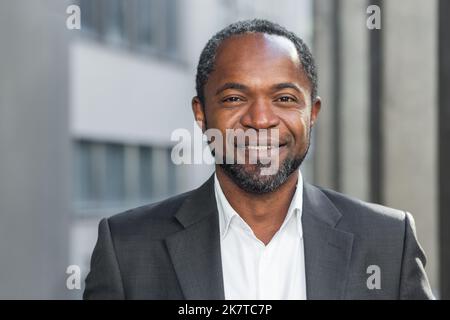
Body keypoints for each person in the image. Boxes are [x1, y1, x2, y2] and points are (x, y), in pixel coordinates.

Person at [84, 19, 434, 300]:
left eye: (283, 98)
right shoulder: (127, 249)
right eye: (235, 98)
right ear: (201, 114)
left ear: (312, 113)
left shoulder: (389, 241)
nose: (260, 119)